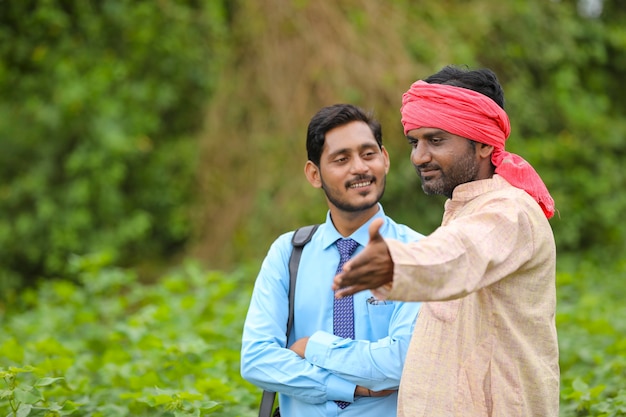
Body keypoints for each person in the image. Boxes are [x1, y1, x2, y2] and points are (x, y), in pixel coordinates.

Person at [332, 66, 560, 417]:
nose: (418, 157)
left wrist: (397, 264)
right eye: (414, 142)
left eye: (435, 140)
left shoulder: (509, 210)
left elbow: (459, 254)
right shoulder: (466, 209)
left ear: (484, 142)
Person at [241, 103, 424, 417]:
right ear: (314, 174)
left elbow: (403, 362)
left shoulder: (418, 252)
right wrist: (351, 388)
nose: (360, 168)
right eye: (342, 159)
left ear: (386, 159)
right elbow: (257, 359)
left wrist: (312, 346)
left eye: (368, 154)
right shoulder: (289, 253)